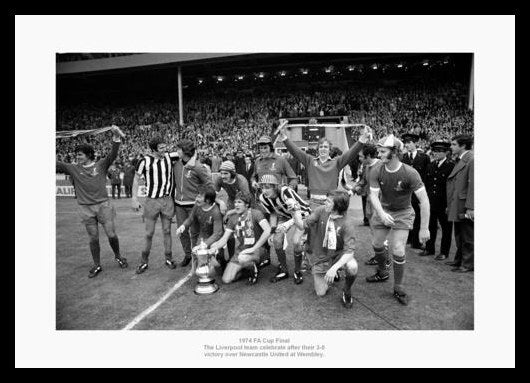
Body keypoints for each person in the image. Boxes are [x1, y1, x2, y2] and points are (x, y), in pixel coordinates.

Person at [366, 134, 431, 306]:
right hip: (384, 210)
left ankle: (398, 286)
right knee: (377, 245)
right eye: (378, 151)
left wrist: (424, 228)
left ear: (394, 153)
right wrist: (381, 213)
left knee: (398, 249)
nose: (378, 154)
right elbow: (373, 195)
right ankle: (382, 272)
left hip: (403, 212)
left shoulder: (410, 173)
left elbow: (424, 200)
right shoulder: (376, 169)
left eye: (382, 151)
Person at [55, 126, 128, 278]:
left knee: (111, 234)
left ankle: (118, 256)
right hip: (85, 208)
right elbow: (56, 163)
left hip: (103, 206)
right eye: (77, 155)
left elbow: (113, 153)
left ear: (89, 155)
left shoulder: (101, 164)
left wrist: (115, 136)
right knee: (93, 237)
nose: (77, 157)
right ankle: (97, 264)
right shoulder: (73, 168)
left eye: (80, 155)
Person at [292, 190, 359, 309]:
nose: (325, 203)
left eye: (328, 201)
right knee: (320, 292)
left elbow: (349, 252)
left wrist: (334, 268)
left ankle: (347, 290)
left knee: (352, 267)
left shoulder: (348, 223)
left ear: (337, 206)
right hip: (321, 254)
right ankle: (330, 272)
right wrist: (295, 212)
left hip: (339, 254)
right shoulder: (320, 210)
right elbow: (302, 225)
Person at [173, 139, 227, 267]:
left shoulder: (198, 167)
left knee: (195, 234)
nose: (176, 152)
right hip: (179, 204)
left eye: (178, 149)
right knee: (182, 232)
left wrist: (218, 200)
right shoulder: (175, 164)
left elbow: (209, 186)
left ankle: (198, 256)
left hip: (195, 204)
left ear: (185, 151)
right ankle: (188, 255)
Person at [132, 136, 181, 274]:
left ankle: (169, 258)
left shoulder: (169, 157)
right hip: (152, 201)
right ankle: (144, 261)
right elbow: (136, 180)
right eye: (161, 147)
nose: (164, 149)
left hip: (167, 200)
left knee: (167, 231)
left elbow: (190, 151)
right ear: (153, 149)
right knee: (149, 233)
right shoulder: (144, 161)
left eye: (165, 146)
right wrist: (134, 199)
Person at [258, 174, 311, 284]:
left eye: (267, 187)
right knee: (276, 240)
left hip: (302, 214)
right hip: (284, 216)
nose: (264, 191)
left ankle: (297, 271)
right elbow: (273, 214)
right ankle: (283, 269)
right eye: (262, 187)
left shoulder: (285, 191)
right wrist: (272, 231)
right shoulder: (263, 198)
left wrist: (286, 225)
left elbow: (298, 212)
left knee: (296, 241)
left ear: (275, 187)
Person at [209, 192, 271, 285]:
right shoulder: (232, 219)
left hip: (258, 249)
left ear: (247, 204)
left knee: (243, 258)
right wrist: (214, 247)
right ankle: (246, 269)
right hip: (241, 251)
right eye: (235, 202)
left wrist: (253, 248)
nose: (236, 205)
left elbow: (268, 230)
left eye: (239, 202)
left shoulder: (256, 213)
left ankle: (254, 268)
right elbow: (224, 239)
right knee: (226, 279)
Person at [175, 185, 225, 270]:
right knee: (199, 256)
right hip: (203, 236)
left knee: (214, 263)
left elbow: (217, 233)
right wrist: (183, 226)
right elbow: (191, 218)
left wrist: (204, 245)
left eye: (200, 196)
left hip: (215, 239)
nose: (196, 198)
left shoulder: (216, 212)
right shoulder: (197, 206)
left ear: (208, 200)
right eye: (197, 195)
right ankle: (209, 261)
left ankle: (220, 258)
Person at [445, 134, 474, 272]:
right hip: (457, 203)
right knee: (459, 234)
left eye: (454, 144)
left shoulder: (472, 159)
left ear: (463, 146)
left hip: (465, 205)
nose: (451, 147)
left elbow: (473, 186)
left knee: (467, 236)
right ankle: (459, 260)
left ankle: (467, 264)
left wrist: (471, 207)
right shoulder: (462, 159)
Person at [422, 141, 455, 260]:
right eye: (434, 151)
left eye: (438, 151)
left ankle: (444, 252)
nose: (435, 153)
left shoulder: (451, 166)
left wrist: (449, 204)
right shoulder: (430, 165)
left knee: (446, 228)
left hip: (444, 203)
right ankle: (429, 248)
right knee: (430, 226)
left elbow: (452, 187)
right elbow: (427, 184)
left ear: (446, 152)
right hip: (431, 202)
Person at [214, 160, 251, 261]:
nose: (222, 176)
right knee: (229, 229)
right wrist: (221, 202)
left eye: (226, 173)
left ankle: (251, 255)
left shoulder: (241, 181)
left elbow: (247, 202)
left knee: (245, 230)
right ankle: (231, 258)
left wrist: (230, 212)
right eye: (221, 173)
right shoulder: (219, 179)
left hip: (246, 204)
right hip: (232, 202)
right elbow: (213, 195)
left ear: (232, 173)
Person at [401, 133, 431, 250]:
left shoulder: (424, 157)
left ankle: (416, 241)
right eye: (405, 143)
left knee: (418, 216)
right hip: (406, 194)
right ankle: (408, 238)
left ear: (415, 143)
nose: (407, 145)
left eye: (409, 143)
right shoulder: (403, 157)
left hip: (419, 192)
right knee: (408, 216)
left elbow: (427, 176)